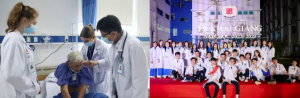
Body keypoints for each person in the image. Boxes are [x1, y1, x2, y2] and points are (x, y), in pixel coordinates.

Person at [94, 15, 148, 98]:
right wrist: (95, 63)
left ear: (114, 33)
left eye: (104, 35)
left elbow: (140, 80)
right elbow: (110, 61)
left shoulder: (134, 46)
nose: (103, 38)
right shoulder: (114, 46)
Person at [0, 2, 41, 98]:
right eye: (34, 23)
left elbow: (24, 69)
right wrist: (35, 88)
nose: (35, 27)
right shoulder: (13, 40)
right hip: (15, 93)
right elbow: (13, 75)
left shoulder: (20, 40)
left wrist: (35, 83)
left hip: (22, 91)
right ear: (25, 20)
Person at [79, 24, 111, 96]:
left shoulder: (104, 46)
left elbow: (109, 61)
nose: (84, 43)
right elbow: (81, 56)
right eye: (83, 41)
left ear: (93, 37)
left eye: (86, 41)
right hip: (90, 77)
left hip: (101, 79)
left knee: (100, 95)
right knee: (91, 95)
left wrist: (96, 62)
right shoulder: (85, 46)